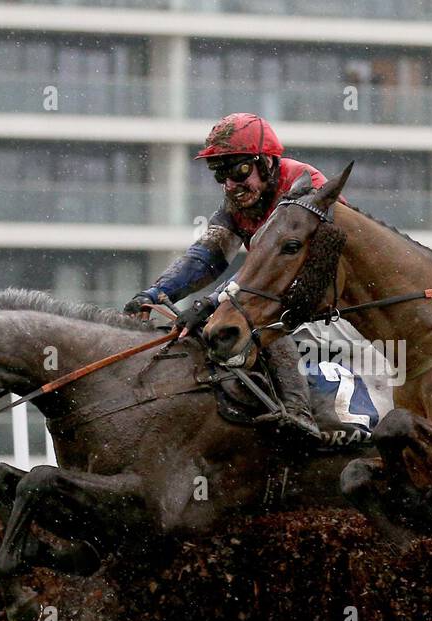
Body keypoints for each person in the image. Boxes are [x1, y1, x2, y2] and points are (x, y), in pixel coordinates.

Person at [124, 113, 334, 437]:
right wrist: (154, 294)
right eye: (221, 174)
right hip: (287, 303)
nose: (232, 185)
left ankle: (299, 413)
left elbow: (285, 271)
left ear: (266, 162)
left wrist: (209, 303)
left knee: (255, 321)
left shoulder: (304, 186)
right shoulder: (238, 201)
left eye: (240, 170)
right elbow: (207, 257)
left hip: (333, 303)